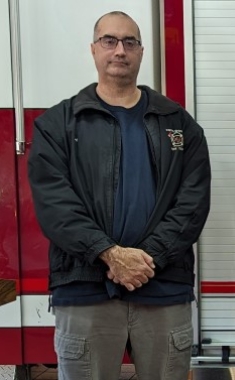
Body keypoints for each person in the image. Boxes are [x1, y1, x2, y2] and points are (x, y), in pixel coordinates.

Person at [27, 11, 211, 380]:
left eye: (129, 42)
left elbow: (192, 204)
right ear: (94, 50)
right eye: (109, 41)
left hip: (163, 289)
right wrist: (109, 254)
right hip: (85, 290)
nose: (120, 50)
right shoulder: (58, 124)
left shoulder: (179, 124)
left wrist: (146, 260)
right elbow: (55, 204)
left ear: (141, 52)